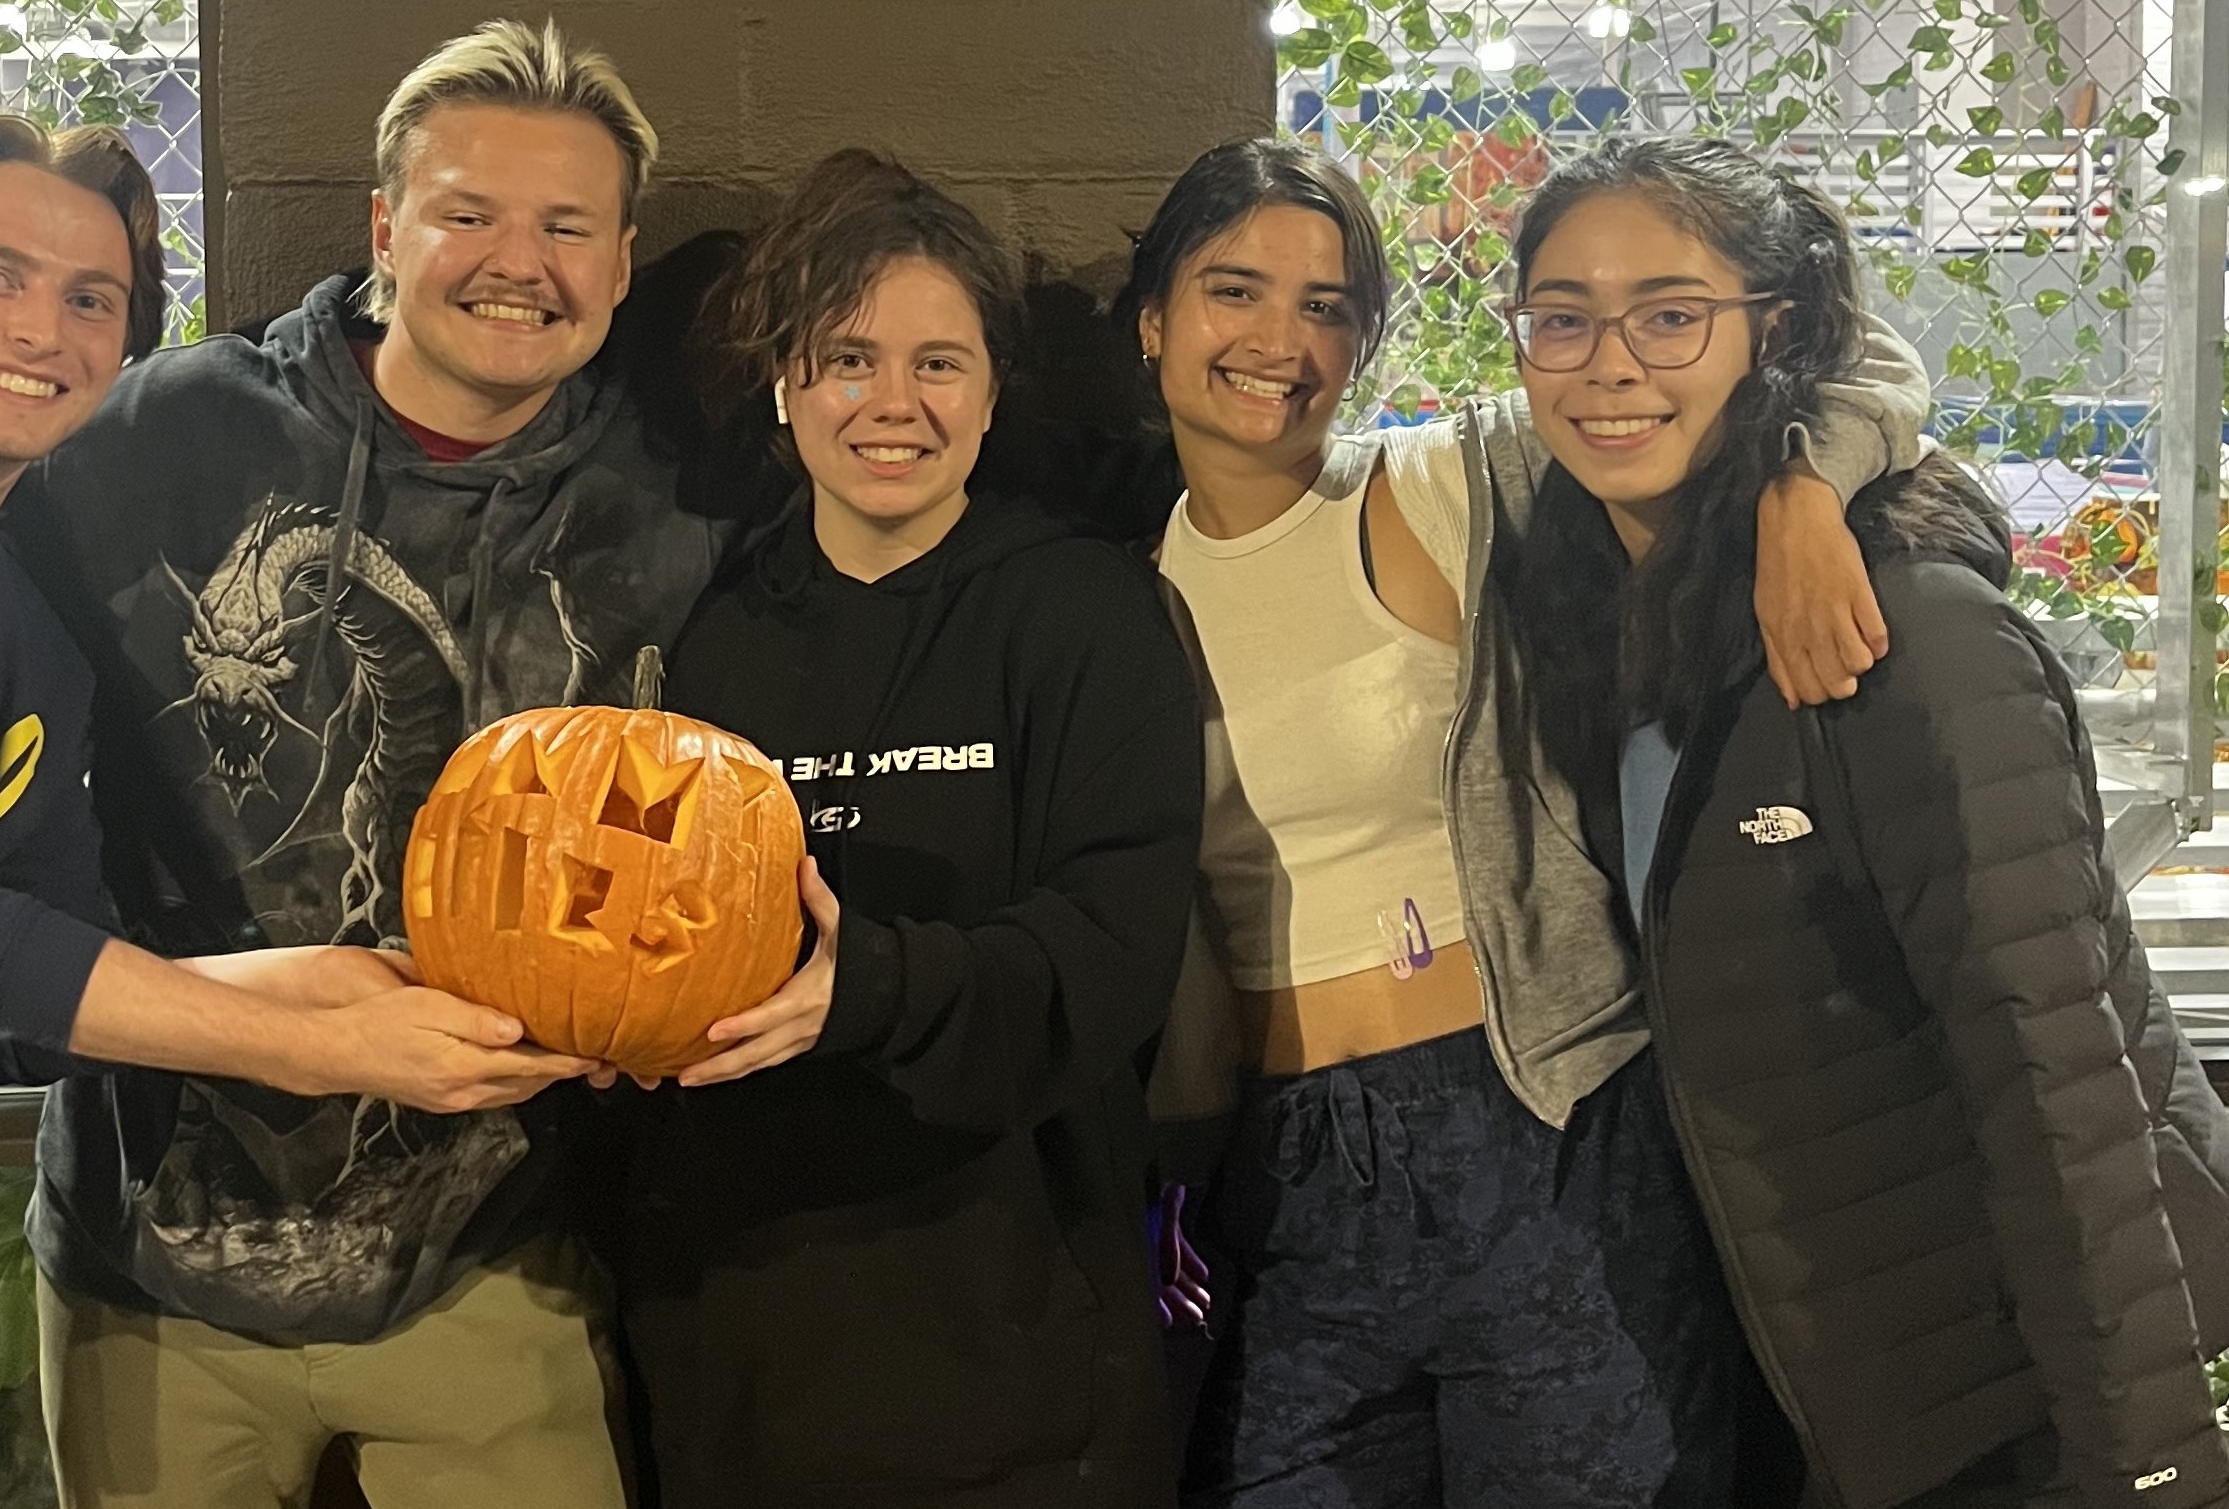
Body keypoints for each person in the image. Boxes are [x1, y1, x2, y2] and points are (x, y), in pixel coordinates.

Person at [0, 20, 768, 1509]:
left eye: (567, 225)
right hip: (150, 1246)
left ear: (622, 262)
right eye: (467, 212)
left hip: (493, 1250)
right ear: (384, 229)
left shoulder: (688, 493)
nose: (518, 260)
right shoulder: (163, 432)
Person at [1123, 136, 1933, 1506]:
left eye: (1328, 305)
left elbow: (1872, 371)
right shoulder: (1107, 589)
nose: (1280, 340)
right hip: (1286, 1178)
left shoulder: (1442, 485)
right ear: (1153, 322)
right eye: (1235, 290)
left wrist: (1803, 487)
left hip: (1542, 1119)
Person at [1502, 134, 2229, 1509]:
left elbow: (2059, 1083)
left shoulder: (1912, 639)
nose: (1609, 365)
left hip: (2017, 1401)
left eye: (1669, 315)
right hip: (1833, 1388)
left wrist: (2150, 1466)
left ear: (1774, 330)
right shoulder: (1597, 603)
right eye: (1562, 319)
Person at [604, 149, 1201, 1507]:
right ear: (784, 383)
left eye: (940, 364)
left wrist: (862, 984)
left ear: (993, 391)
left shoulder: (1085, 616)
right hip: (741, 1343)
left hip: (1018, 1341)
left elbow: (1112, 950)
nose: (893, 404)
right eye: (848, 359)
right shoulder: (709, 636)